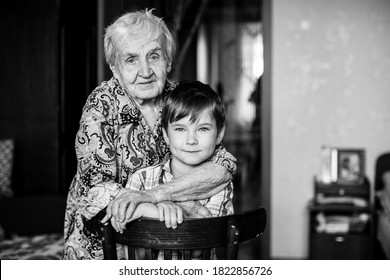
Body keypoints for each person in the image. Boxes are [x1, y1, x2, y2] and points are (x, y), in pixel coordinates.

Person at [63, 9, 236, 260]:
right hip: (104, 246)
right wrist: (170, 206)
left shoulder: (180, 99)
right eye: (131, 60)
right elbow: (97, 191)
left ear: (167, 60)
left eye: (153, 56)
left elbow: (223, 166)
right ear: (115, 67)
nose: (145, 71)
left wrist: (155, 195)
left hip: (171, 248)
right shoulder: (100, 105)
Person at [124, 80, 234, 259]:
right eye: (181, 129)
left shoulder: (219, 185)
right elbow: (133, 252)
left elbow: (199, 248)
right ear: (166, 135)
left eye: (203, 129)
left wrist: (145, 209)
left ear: (219, 134)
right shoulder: (141, 179)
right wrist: (158, 208)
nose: (191, 140)